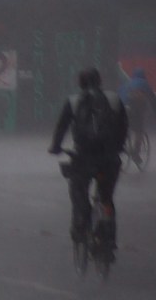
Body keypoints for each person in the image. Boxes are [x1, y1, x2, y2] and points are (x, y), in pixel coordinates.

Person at [49, 66, 127, 252]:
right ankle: (109, 237)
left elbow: (61, 127)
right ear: (100, 81)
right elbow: (123, 126)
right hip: (109, 158)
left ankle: (81, 224)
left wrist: (56, 147)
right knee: (106, 197)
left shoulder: (73, 101)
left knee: (79, 191)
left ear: (80, 83)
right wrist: (118, 147)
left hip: (83, 158)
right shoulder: (114, 99)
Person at [119, 66, 156, 149]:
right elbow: (153, 100)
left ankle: (122, 144)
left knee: (125, 126)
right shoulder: (144, 84)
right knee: (139, 130)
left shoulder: (126, 83)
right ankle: (136, 151)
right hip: (135, 109)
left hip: (122, 108)